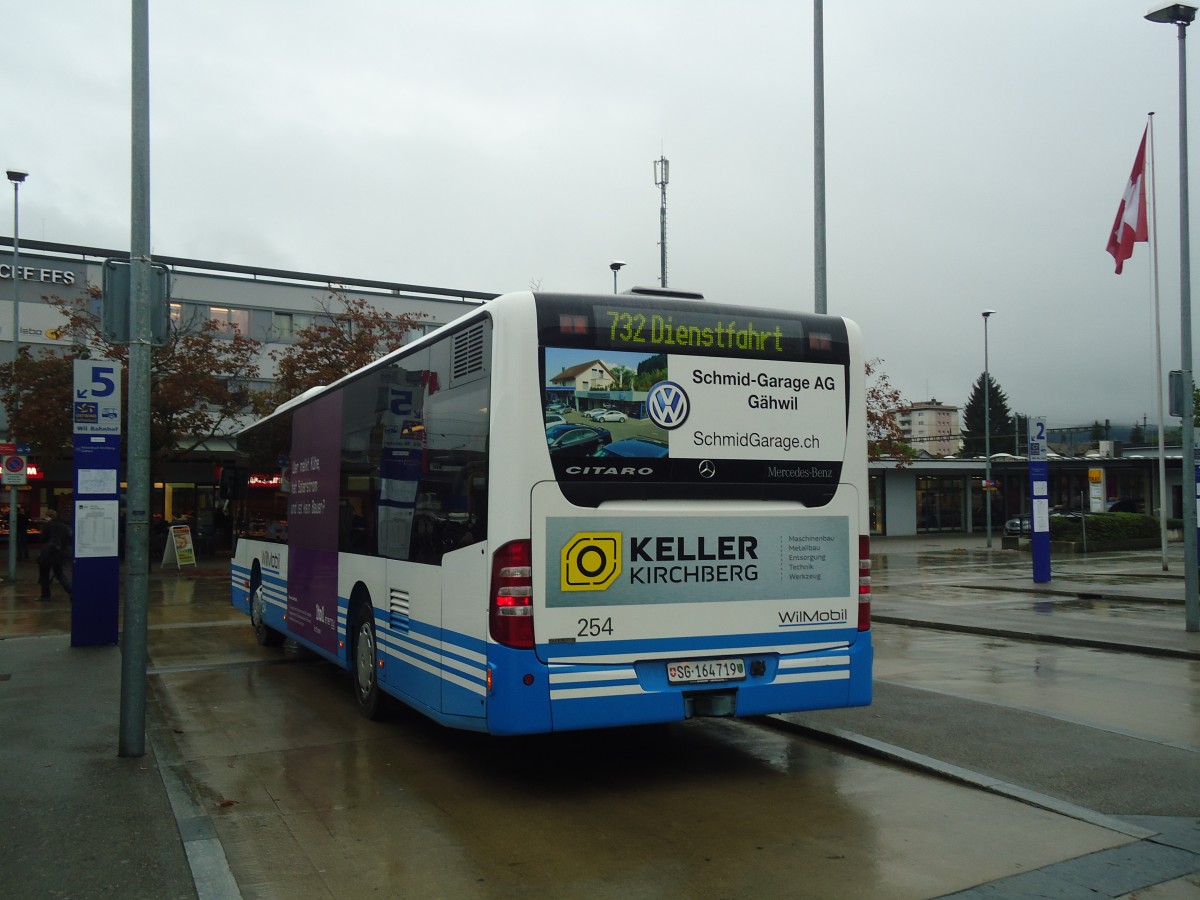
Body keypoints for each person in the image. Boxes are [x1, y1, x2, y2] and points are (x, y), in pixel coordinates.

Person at [38, 510, 72, 601]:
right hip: (60, 553)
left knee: (44, 574)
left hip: (48, 554)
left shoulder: (48, 525)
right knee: (59, 574)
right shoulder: (65, 526)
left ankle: (45, 595)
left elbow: (42, 538)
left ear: (48, 516)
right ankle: (71, 591)